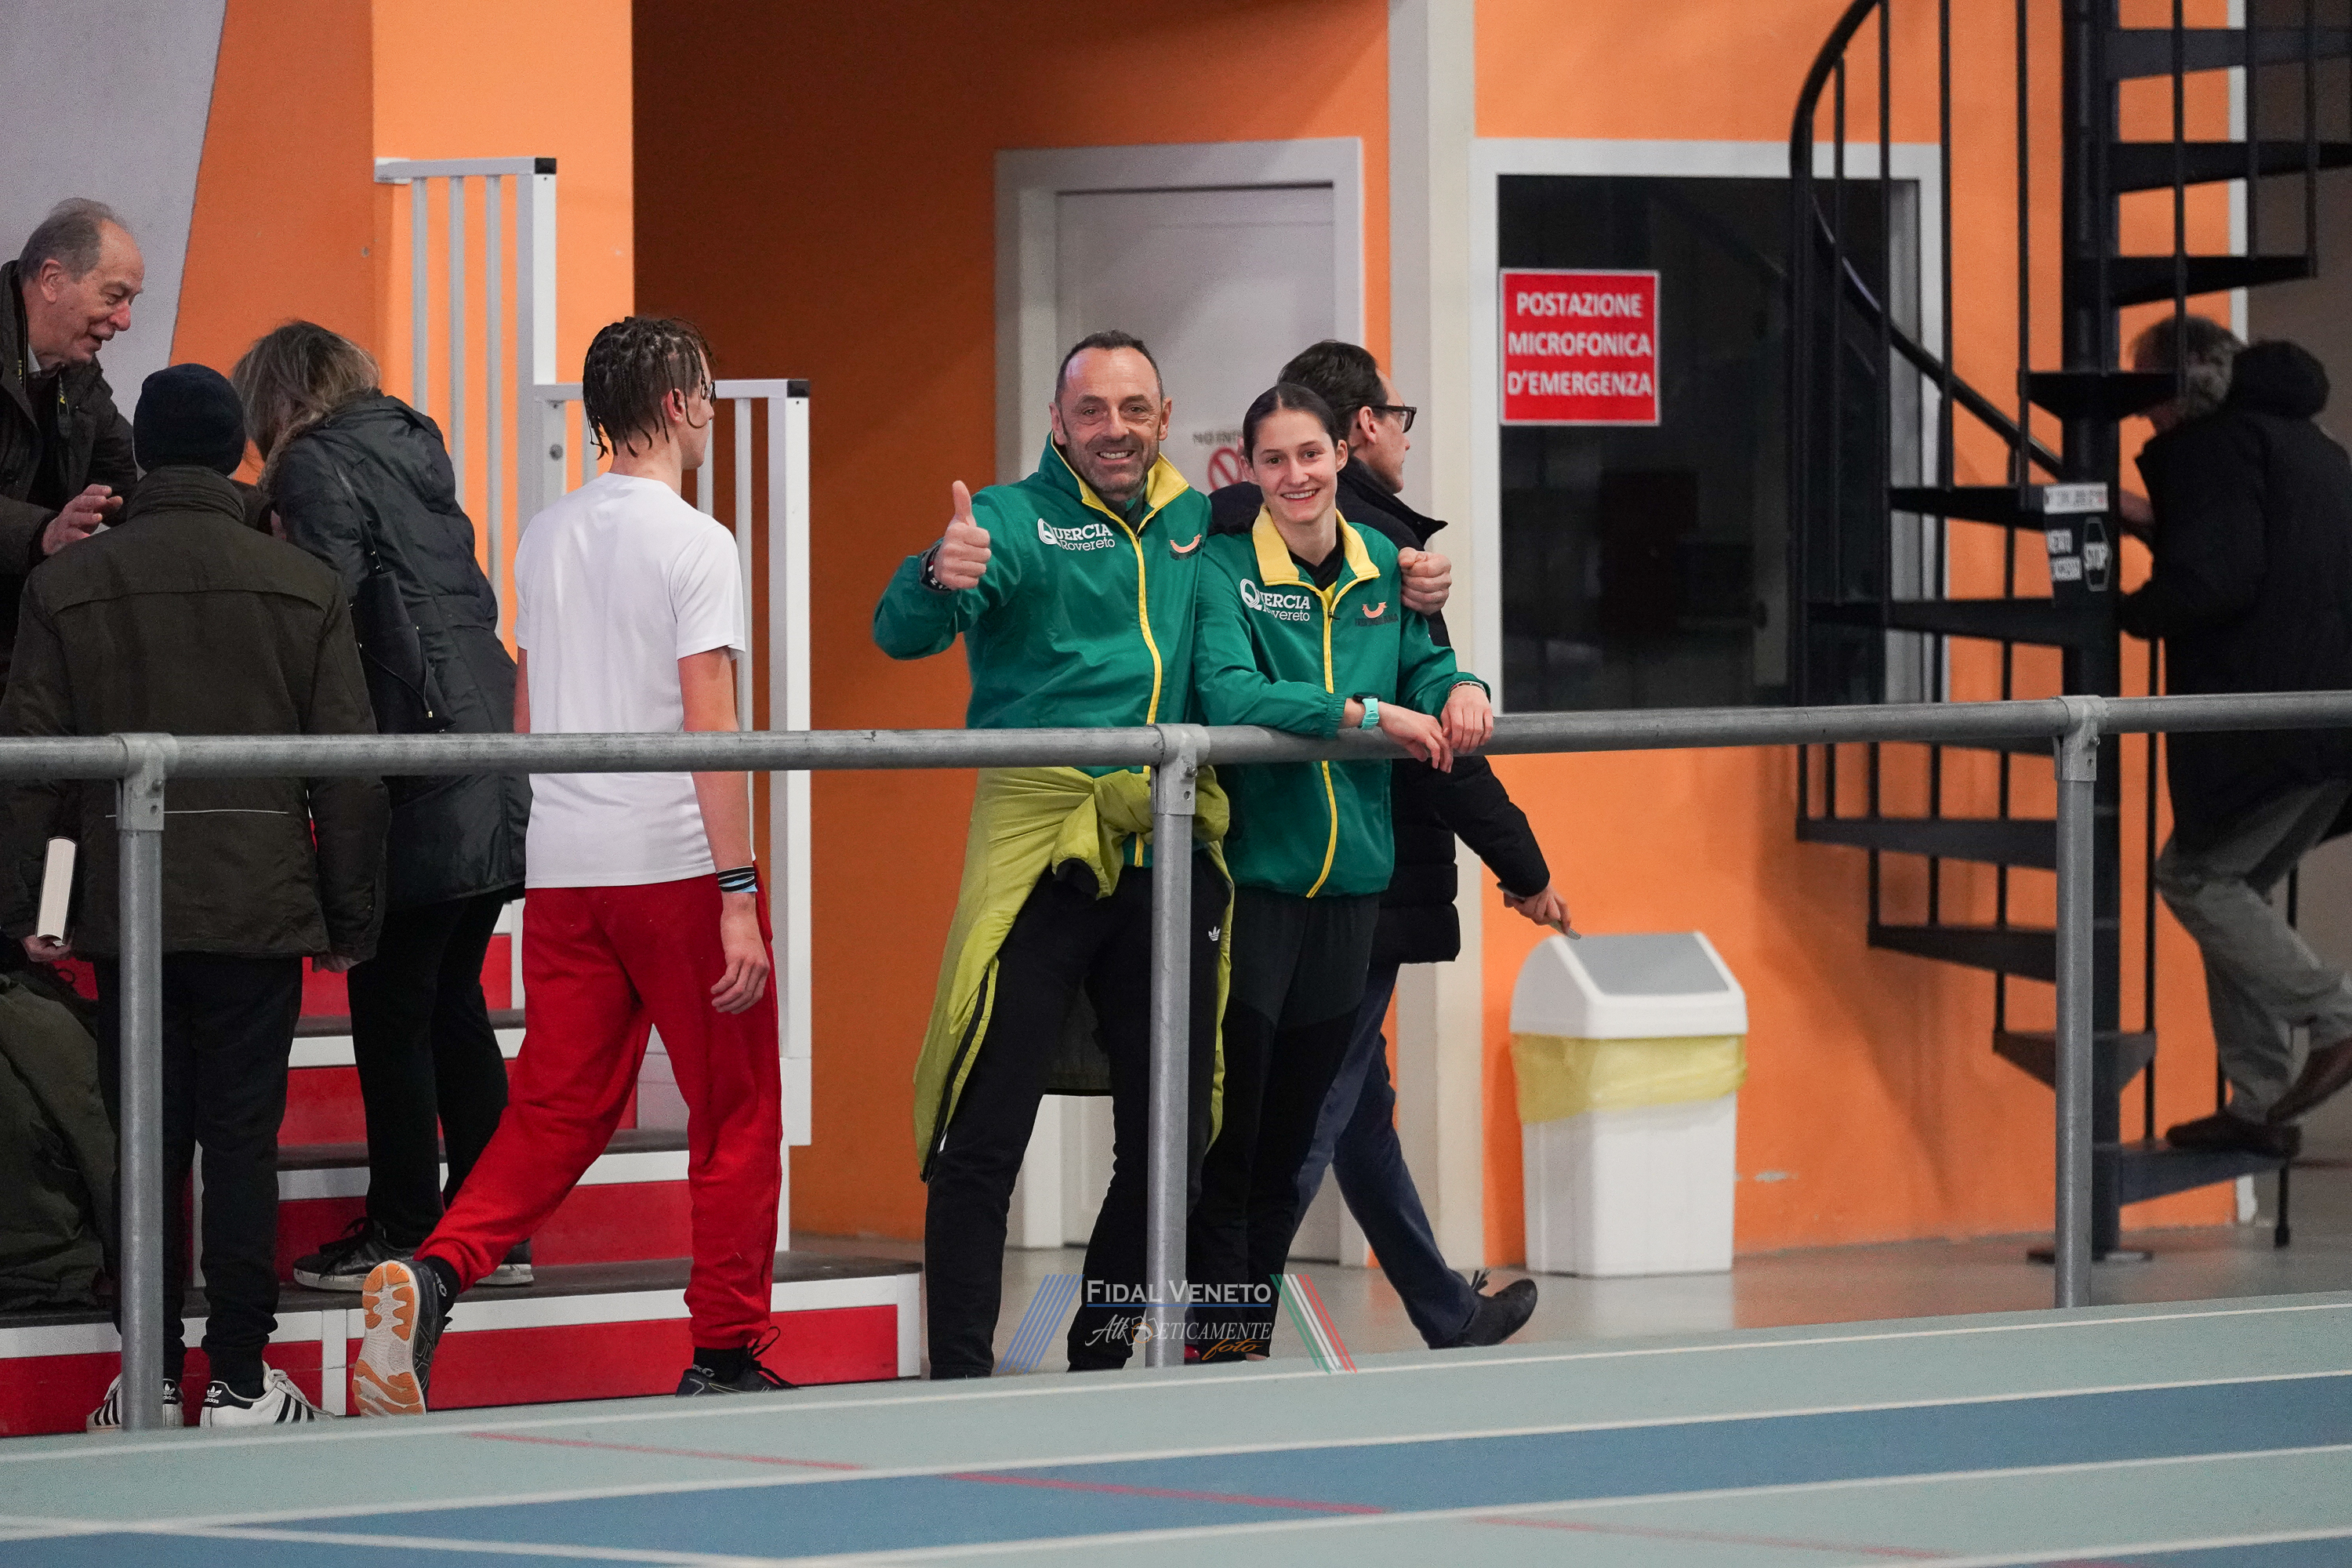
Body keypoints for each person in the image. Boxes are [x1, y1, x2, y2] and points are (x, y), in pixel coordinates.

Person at [873, 332, 1455, 1378]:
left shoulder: (1202, 523)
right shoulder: (1008, 520)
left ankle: (1098, 1360)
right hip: (1046, 850)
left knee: (1176, 1139)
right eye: (1092, 410)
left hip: (1174, 851)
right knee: (987, 1126)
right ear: (1058, 423)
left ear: (1164, 417)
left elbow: (1316, 512)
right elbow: (902, 632)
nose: (1115, 429)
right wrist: (932, 575)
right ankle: (959, 1375)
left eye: (1134, 409)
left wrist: (1418, 570)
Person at [356, 316, 787, 1415]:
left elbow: (530, 711)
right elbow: (712, 722)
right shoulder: (699, 541)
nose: (709, 411)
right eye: (706, 393)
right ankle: (724, 1350)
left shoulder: (544, 536)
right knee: (735, 1112)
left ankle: (436, 1270)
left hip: (565, 864)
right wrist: (739, 892)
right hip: (675, 864)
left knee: (556, 1110)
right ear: (681, 403)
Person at [0, 363, 388, 1428]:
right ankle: (240, 1379)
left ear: (146, 455)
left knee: (146, 1147)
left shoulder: (66, 586)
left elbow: (32, 767)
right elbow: (348, 774)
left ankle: (148, 1379)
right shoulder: (303, 585)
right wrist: (350, 917)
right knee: (241, 1143)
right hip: (258, 906)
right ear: (235, 455)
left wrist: (33, 909)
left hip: (125, 909)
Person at [1210, 340, 1563, 1349]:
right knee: (1296, 1120)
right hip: (1296, 879)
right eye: (1273, 458)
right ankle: (1230, 1322)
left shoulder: (1386, 559)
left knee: (1348, 1110)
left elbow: (1432, 679)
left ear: (1338, 447)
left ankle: (1441, 1308)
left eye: (1307, 453)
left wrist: (1465, 685)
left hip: (1367, 872)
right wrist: (1523, 864)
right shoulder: (1238, 541)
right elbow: (1240, 685)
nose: (1296, 475)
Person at [231, 322, 533, 1293]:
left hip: (420, 758)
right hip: (492, 745)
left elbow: (325, 606)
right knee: (452, 1001)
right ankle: (496, 1230)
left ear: (280, 400)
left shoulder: (313, 464)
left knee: (392, 1004)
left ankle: (404, 1224)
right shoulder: (414, 455)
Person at [2116, 318, 2352, 1159]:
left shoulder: (2214, 448)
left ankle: (2334, 1016)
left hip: (2268, 720)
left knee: (2195, 877)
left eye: (2147, 391)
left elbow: (2216, 581)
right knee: (2231, 886)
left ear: (2186, 379)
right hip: (2330, 718)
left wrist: (2119, 608)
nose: (2142, 415)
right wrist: (2156, 522)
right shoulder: (2310, 447)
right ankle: (2257, 1105)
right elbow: (2267, 555)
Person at [1, 199, 143, 691]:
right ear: (52, 280)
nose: (125, 320)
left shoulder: (78, 378)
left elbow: (132, 479)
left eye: (132, 301)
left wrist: (258, 516)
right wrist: (43, 532)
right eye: (114, 296)